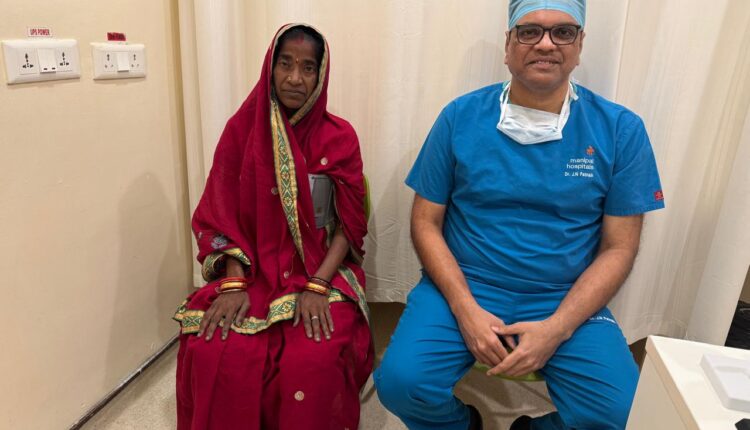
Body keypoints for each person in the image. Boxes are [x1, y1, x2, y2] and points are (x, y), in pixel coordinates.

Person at [374, 1, 665, 429]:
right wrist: (464, 308)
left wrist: (558, 328)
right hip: (467, 284)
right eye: (529, 31)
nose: (545, 44)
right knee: (402, 383)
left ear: (580, 45)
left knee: (623, 416)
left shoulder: (621, 130)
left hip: (563, 295)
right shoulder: (460, 118)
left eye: (563, 32)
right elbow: (425, 222)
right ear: (508, 45)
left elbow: (619, 248)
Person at [173, 23, 373, 430]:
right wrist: (233, 283)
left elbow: (349, 227)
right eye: (285, 64)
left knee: (312, 358)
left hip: (319, 268)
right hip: (252, 271)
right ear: (270, 67)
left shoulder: (339, 137)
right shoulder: (241, 131)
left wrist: (318, 285)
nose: (295, 78)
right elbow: (220, 213)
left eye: (308, 67)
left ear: (321, 74)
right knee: (215, 348)